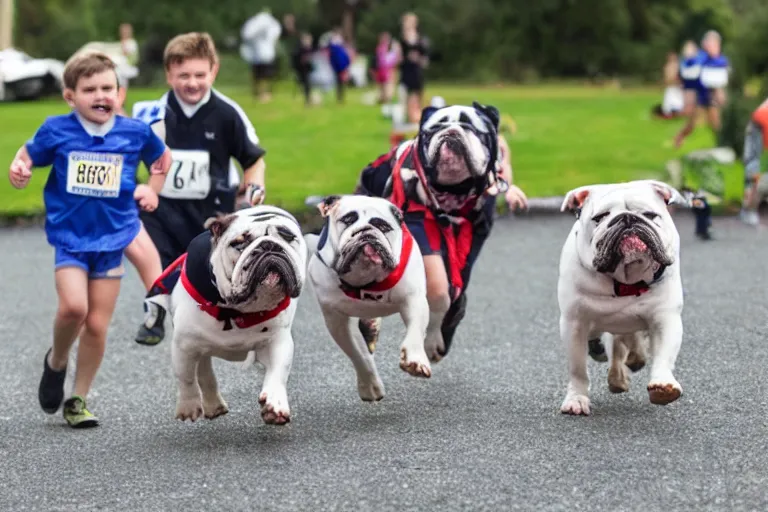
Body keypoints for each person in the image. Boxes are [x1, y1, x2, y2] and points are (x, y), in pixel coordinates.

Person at [7, 51, 171, 428]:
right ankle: (56, 362)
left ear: (121, 92)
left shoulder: (134, 132)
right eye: (90, 89)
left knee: (97, 325)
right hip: (71, 237)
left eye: (107, 88)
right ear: (70, 96)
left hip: (113, 238)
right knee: (73, 309)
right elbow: (28, 155)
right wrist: (20, 168)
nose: (100, 95)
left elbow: (162, 160)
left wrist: (152, 189)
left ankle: (78, 398)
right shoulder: (56, 130)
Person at [132, 32, 268, 345]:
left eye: (199, 75)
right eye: (183, 76)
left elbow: (254, 160)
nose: (192, 83)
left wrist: (254, 189)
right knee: (155, 253)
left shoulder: (227, 113)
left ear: (213, 72)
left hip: (212, 208)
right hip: (162, 206)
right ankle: (154, 309)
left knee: (208, 274)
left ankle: (233, 322)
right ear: (168, 74)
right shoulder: (152, 113)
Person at [354, 102, 516, 359]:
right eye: (440, 130)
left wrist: (509, 187)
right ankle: (385, 317)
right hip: (420, 206)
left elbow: (503, 158)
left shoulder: (492, 155)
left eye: (467, 131)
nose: (453, 138)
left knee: (454, 287)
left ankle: (444, 319)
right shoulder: (407, 167)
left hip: (471, 213)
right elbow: (368, 185)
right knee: (434, 286)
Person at [674, 31, 730, 148]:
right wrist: (688, 56)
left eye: (714, 44)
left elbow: (722, 80)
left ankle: (722, 145)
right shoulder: (700, 57)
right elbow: (687, 67)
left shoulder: (721, 60)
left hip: (712, 95)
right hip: (699, 94)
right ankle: (680, 136)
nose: (712, 46)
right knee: (692, 123)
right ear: (704, 44)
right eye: (709, 43)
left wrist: (721, 93)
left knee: (715, 122)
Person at [240, 9, 282, 103]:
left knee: (261, 76)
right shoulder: (259, 25)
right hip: (261, 55)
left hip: (262, 55)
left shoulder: (259, 24)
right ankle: (261, 94)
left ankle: (261, 93)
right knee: (262, 76)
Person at [397, 12, 430, 124]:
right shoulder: (401, 41)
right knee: (405, 100)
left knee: (416, 100)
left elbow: (425, 59)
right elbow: (399, 58)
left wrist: (418, 59)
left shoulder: (420, 40)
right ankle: (408, 121)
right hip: (406, 72)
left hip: (416, 73)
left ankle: (417, 120)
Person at [740, 97, 768, 225]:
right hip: (761, 122)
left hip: (759, 120)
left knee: (753, 165)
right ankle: (748, 210)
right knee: (753, 166)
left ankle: (748, 209)